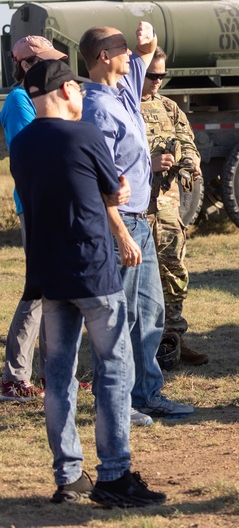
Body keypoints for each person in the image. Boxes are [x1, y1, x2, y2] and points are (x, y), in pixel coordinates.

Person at [11, 59, 166, 508]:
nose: (82, 96)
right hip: (93, 270)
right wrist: (111, 191)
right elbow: (115, 189)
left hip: (48, 274)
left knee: (58, 377)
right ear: (63, 92)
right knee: (114, 369)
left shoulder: (20, 145)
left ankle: (69, 476)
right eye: (76, 90)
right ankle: (115, 477)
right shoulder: (84, 135)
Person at [80, 23, 194, 423]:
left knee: (149, 311)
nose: (129, 53)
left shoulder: (121, 93)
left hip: (140, 221)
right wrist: (121, 233)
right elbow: (96, 183)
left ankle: (147, 394)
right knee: (118, 319)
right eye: (121, 48)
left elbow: (144, 57)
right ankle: (116, 403)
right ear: (102, 57)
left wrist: (148, 43)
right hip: (119, 226)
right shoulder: (94, 108)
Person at [0, 37, 67, 401]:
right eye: (45, 62)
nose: (54, 68)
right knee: (40, 289)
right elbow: (35, 152)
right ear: (26, 65)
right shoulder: (19, 100)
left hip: (56, 202)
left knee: (56, 290)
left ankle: (52, 375)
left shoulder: (45, 96)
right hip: (37, 204)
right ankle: (14, 377)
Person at [140, 47, 208, 366]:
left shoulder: (168, 107)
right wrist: (148, 163)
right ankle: (142, 345)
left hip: (167, 209)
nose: (158, 81)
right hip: (135, 210)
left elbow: (188, 142)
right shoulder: (122, 107)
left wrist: (191, 163)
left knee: (173, 270)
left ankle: (173, 339)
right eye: (152, 75)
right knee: (138, 278)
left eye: (162, 75)